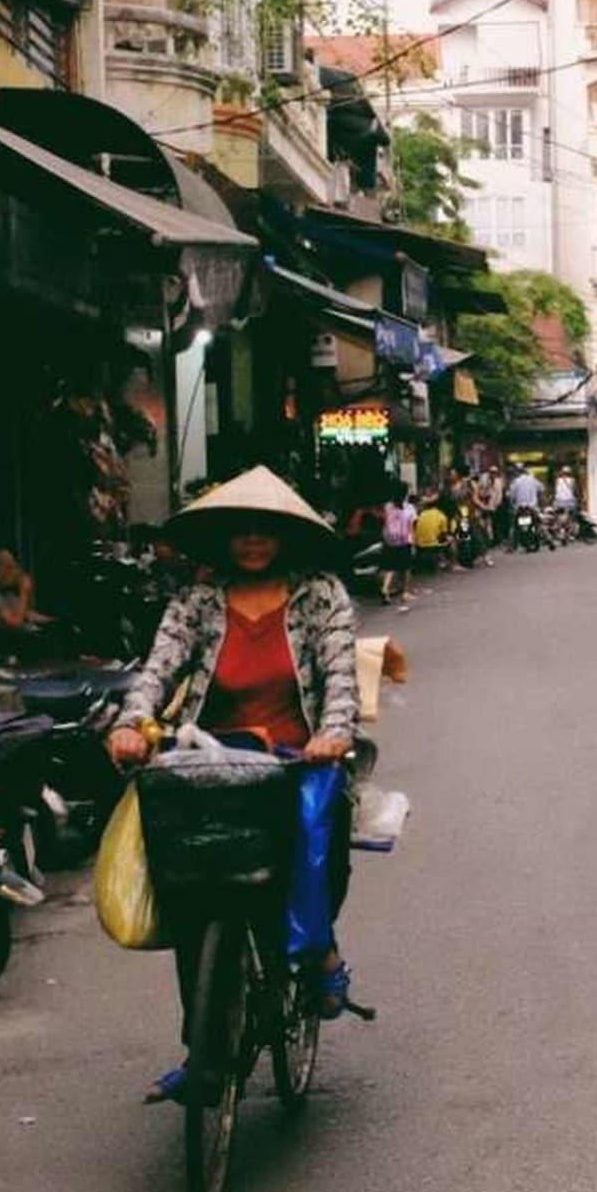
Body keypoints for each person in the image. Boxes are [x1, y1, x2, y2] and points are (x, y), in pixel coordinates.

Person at [106, 467, 360, 1103]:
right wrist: (133, 723)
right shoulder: (196, 600)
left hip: (297, 762)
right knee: (192, 906)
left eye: (265, 531)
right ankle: (202, 1051)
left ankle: (317, 956)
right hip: (210, 762)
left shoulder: (321, 595)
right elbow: (157, 669)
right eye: (241, 532)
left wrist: (331, 736)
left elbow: (340, 679)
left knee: (311, 866)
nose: (252, 541)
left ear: (284, 538)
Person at [379, 487, 416, 604]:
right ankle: (405, 593)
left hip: (389, 540)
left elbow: (384, 521)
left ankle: (385, 588)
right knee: (406, 567)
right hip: (404, 540)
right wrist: (413, 542)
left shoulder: (387, 506)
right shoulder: (409, 508)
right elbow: (412, 526)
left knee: (391, 567)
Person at [412, 491, 452, 575]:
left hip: (420, 544)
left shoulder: (420, 514)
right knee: (451, 539)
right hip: (434, 545)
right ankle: (446, 561)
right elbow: (443, 534)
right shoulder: (441, 516)